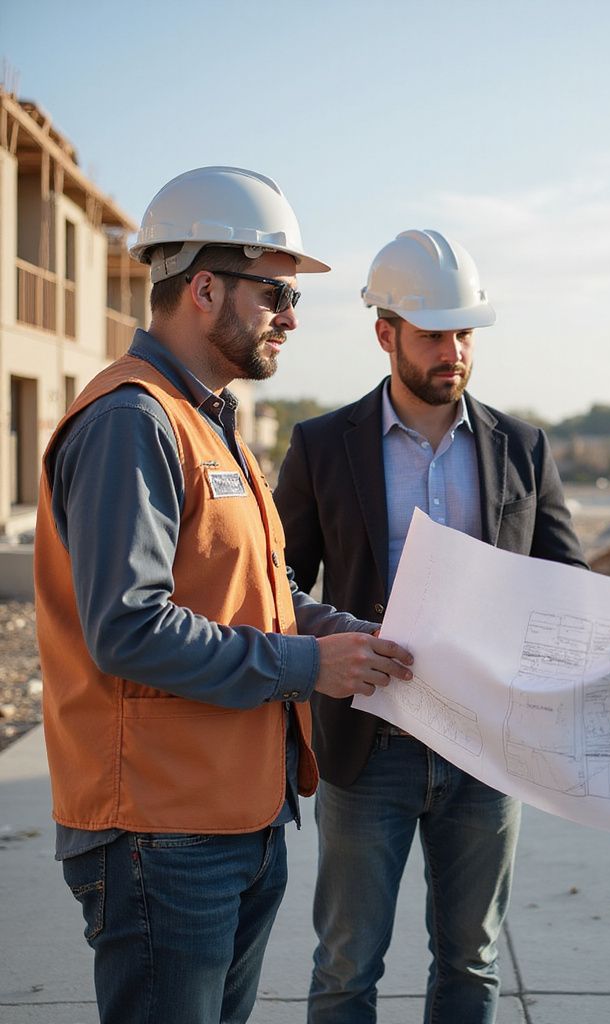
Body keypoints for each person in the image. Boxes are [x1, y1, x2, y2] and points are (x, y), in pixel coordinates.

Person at [34, 165, 414, 1024]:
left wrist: (363, 637)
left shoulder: (206, 421)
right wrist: (309, 664)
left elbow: (260, 597)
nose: (291, 316)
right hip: (159, 832)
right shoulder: (133, 421)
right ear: (204, 288)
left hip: (233, 815)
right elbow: (128, 629)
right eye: (276, 291)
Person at [273, 228, 587, 1024]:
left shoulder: (522, 446)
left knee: (472, 964)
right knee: (347, 966)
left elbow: (566, 583)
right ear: (386, 333)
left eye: (464, 332)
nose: (454, 349)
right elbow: (274, 581)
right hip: (365, 746)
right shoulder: (318, 446)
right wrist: (337, 638)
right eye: (434, 333)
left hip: (487, 750)